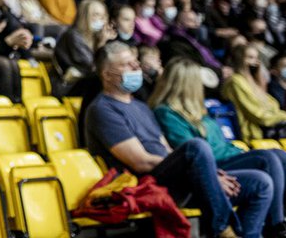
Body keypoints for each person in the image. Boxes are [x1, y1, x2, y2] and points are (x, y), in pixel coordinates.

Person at [84, 41, 272, 238]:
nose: (136, 67)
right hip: (145, 183)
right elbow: (141, 162)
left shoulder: (141, 106)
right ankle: (222, 228)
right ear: (106, 74)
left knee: (260, 183)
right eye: (126, 64)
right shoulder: (103, 109)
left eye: (135, 61)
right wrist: (205, 172)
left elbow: (167, 150)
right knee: (196, 146)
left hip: (176, 178)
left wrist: (209, 174)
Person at [152, 57, 286, 238]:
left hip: (229, 157)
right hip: (214, 165)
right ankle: (276, 226)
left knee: (280, 155)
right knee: (268, 159)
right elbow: (193, 152)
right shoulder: (167, 113)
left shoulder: (199, 111)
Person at [223, 43, 286, 141]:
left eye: (256, 58)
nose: (256, 62)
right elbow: (260, 116)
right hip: (257, 132)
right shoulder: (235, 81)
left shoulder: (253, 82)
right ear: (239, 59)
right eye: (250, 57)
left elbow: (272, 105)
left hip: (270, 125)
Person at [55, 0, 111, 92]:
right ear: (85, 16)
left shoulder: (96, 36)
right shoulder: (73, 35)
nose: (101, 20)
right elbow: (92, 66)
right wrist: (102, 43)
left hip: (86, 83)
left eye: (103, 16)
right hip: (69, 85)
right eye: (96, 15)